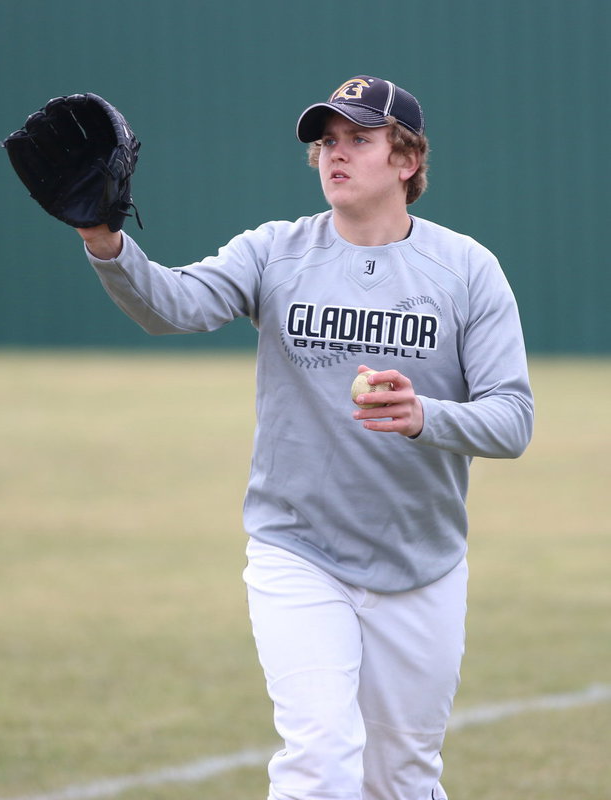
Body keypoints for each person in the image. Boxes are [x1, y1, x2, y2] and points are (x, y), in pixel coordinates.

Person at [76, 75, 534, 800]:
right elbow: (172, 305)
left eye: (359, 138)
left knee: (401, 778)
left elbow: (511, 419)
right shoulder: (275, 251)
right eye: (326, 141)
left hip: (422, 562)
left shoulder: (466, 270)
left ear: (408, 159)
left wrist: (427, 416)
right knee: (320, 759)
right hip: (299, 551)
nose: (335, 153)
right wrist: (104, 240)